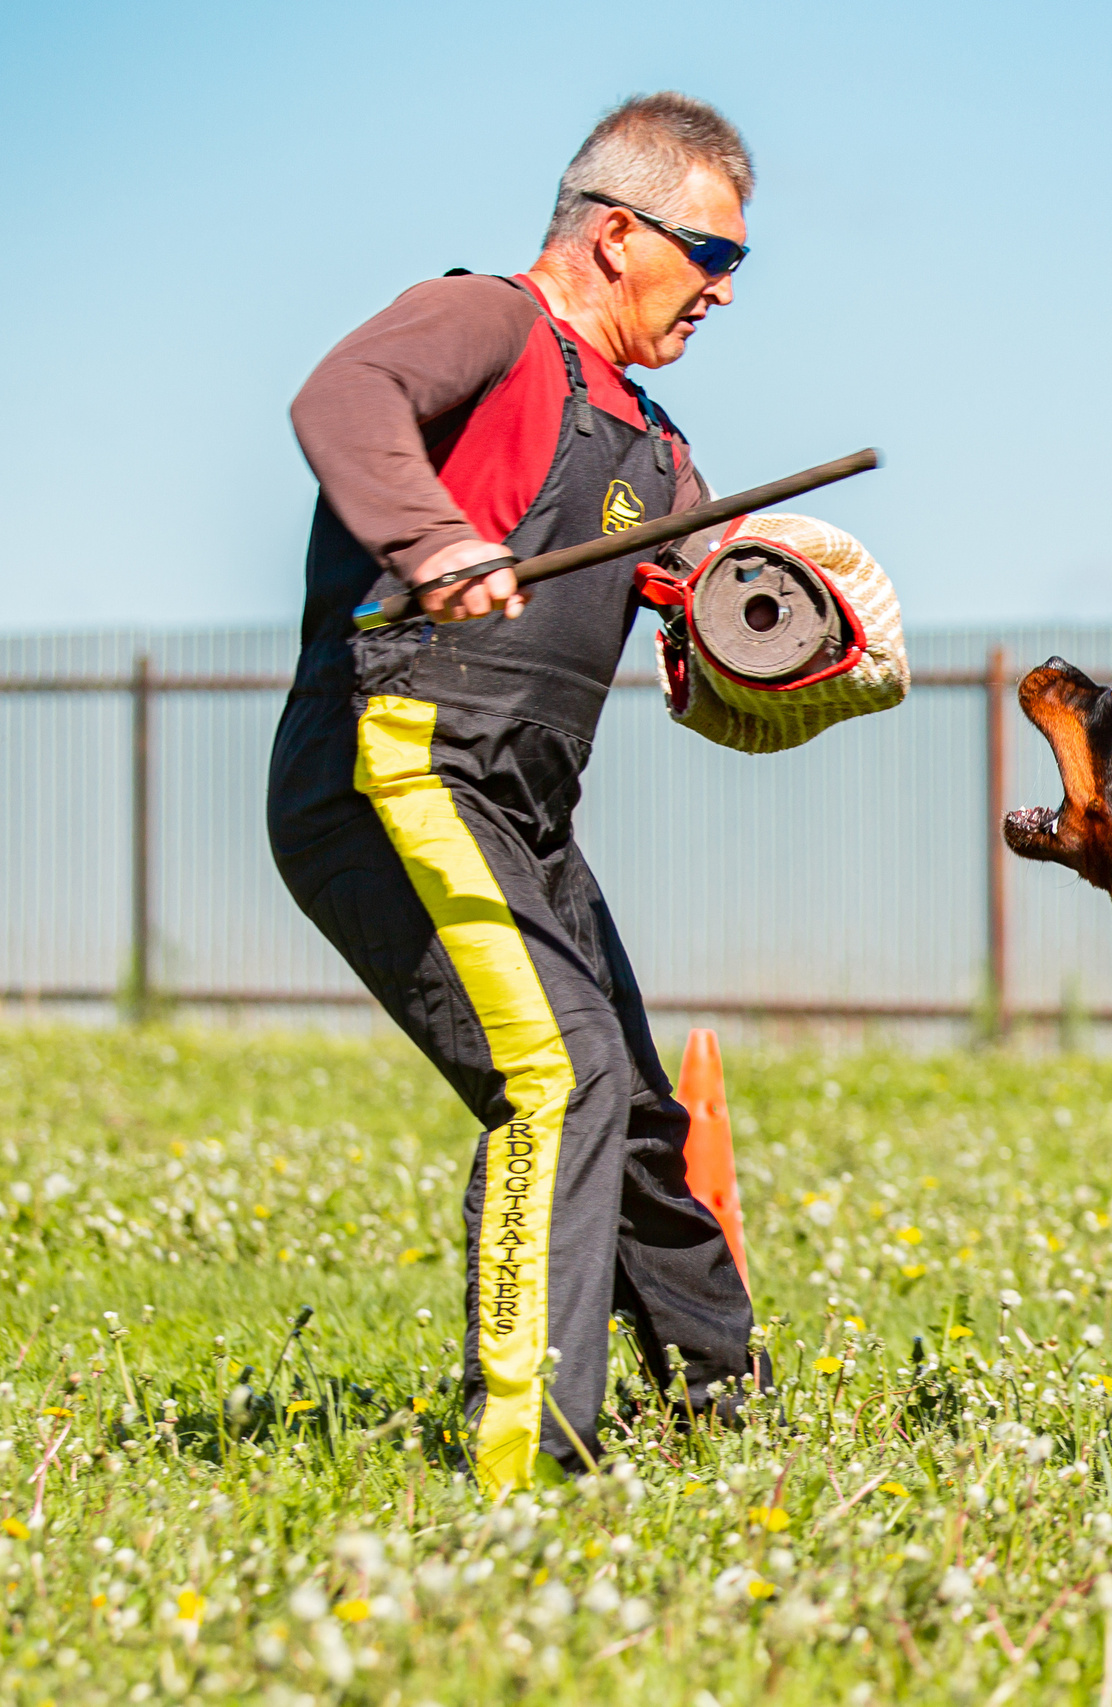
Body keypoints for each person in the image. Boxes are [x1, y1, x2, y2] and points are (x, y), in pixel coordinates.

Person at [266, 93, 759, 1493]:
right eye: (709, 258)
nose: (722, 293)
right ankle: (523, 1467)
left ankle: (725, 1409)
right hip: (397, 763)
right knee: (562, 1080)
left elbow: (729, 625)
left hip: (524, 807)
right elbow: (341, 397)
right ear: (616, 237)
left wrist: (786, 627)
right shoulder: (488, 323)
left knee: (642, 1111)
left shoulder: (655, 451)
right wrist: (430, 538)